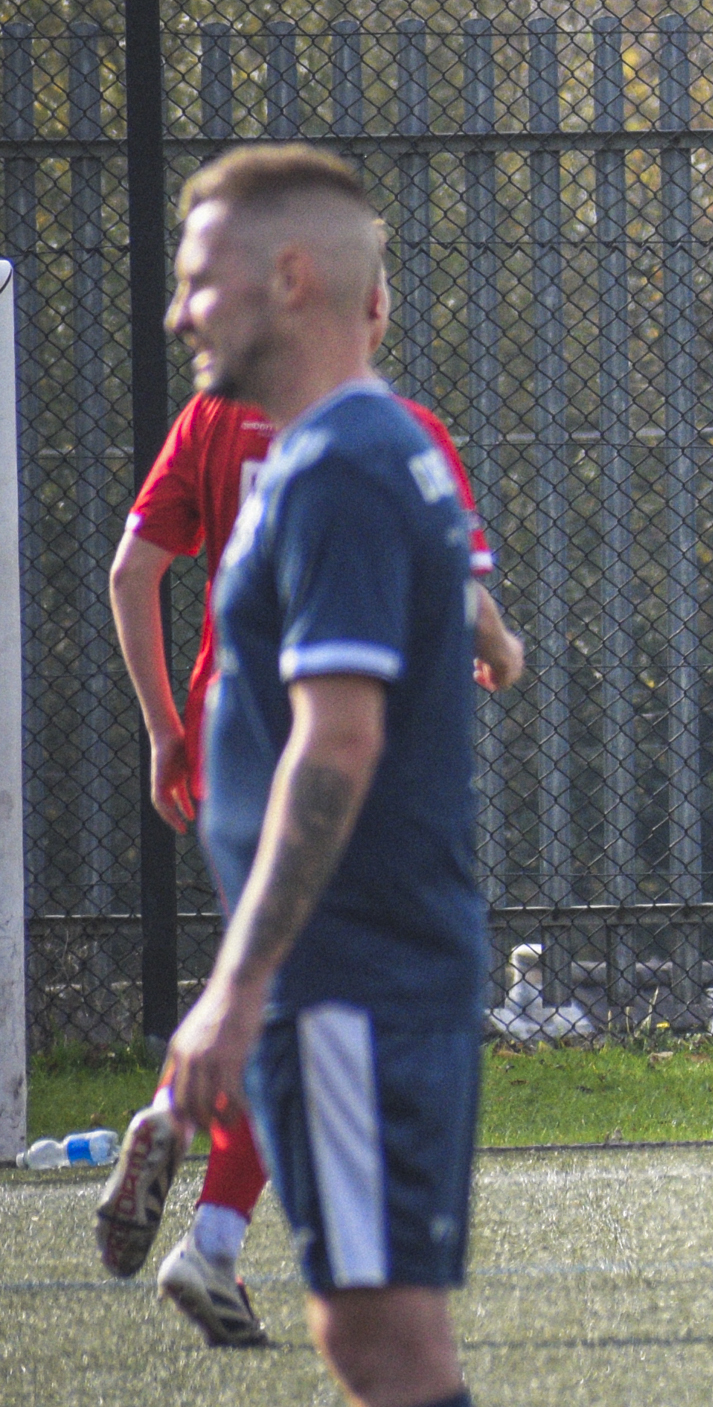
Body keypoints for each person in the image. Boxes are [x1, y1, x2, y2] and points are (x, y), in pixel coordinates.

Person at [152, 143, 496, 1407]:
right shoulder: (364, 448)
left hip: (349, 984)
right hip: (356, 975)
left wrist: (234, 988)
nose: (183, 311)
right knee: (370, 1328)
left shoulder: (339, 468)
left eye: (200, 278)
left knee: (383, 1334)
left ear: (290, 278)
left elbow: (337, 740)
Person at [98, 285, 522, 1348]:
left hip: (225, 735)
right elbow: (460, 591)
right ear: (375, 309)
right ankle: (215, 1218)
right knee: (322, 993)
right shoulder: (400, 436)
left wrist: (160, 729)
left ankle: (207, 1206)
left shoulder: (210, 419)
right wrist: (502, 647)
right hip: (343, 741)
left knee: (282, 966)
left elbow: (131, 570)